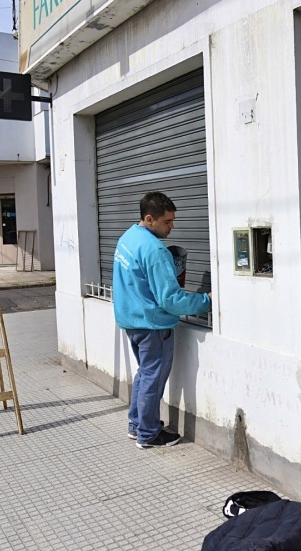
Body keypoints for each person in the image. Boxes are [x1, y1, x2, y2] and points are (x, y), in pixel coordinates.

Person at [113, 192, 212, 448]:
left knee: (145, 374)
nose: (172, 226)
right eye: (167, 221)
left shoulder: (129, 237)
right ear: (150, 218)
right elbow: (170, 300)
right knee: (152, 378)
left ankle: (136, 425)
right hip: (152, 325)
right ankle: (148, 434)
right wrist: (206, 300)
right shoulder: (154, 249)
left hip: (132, 320)